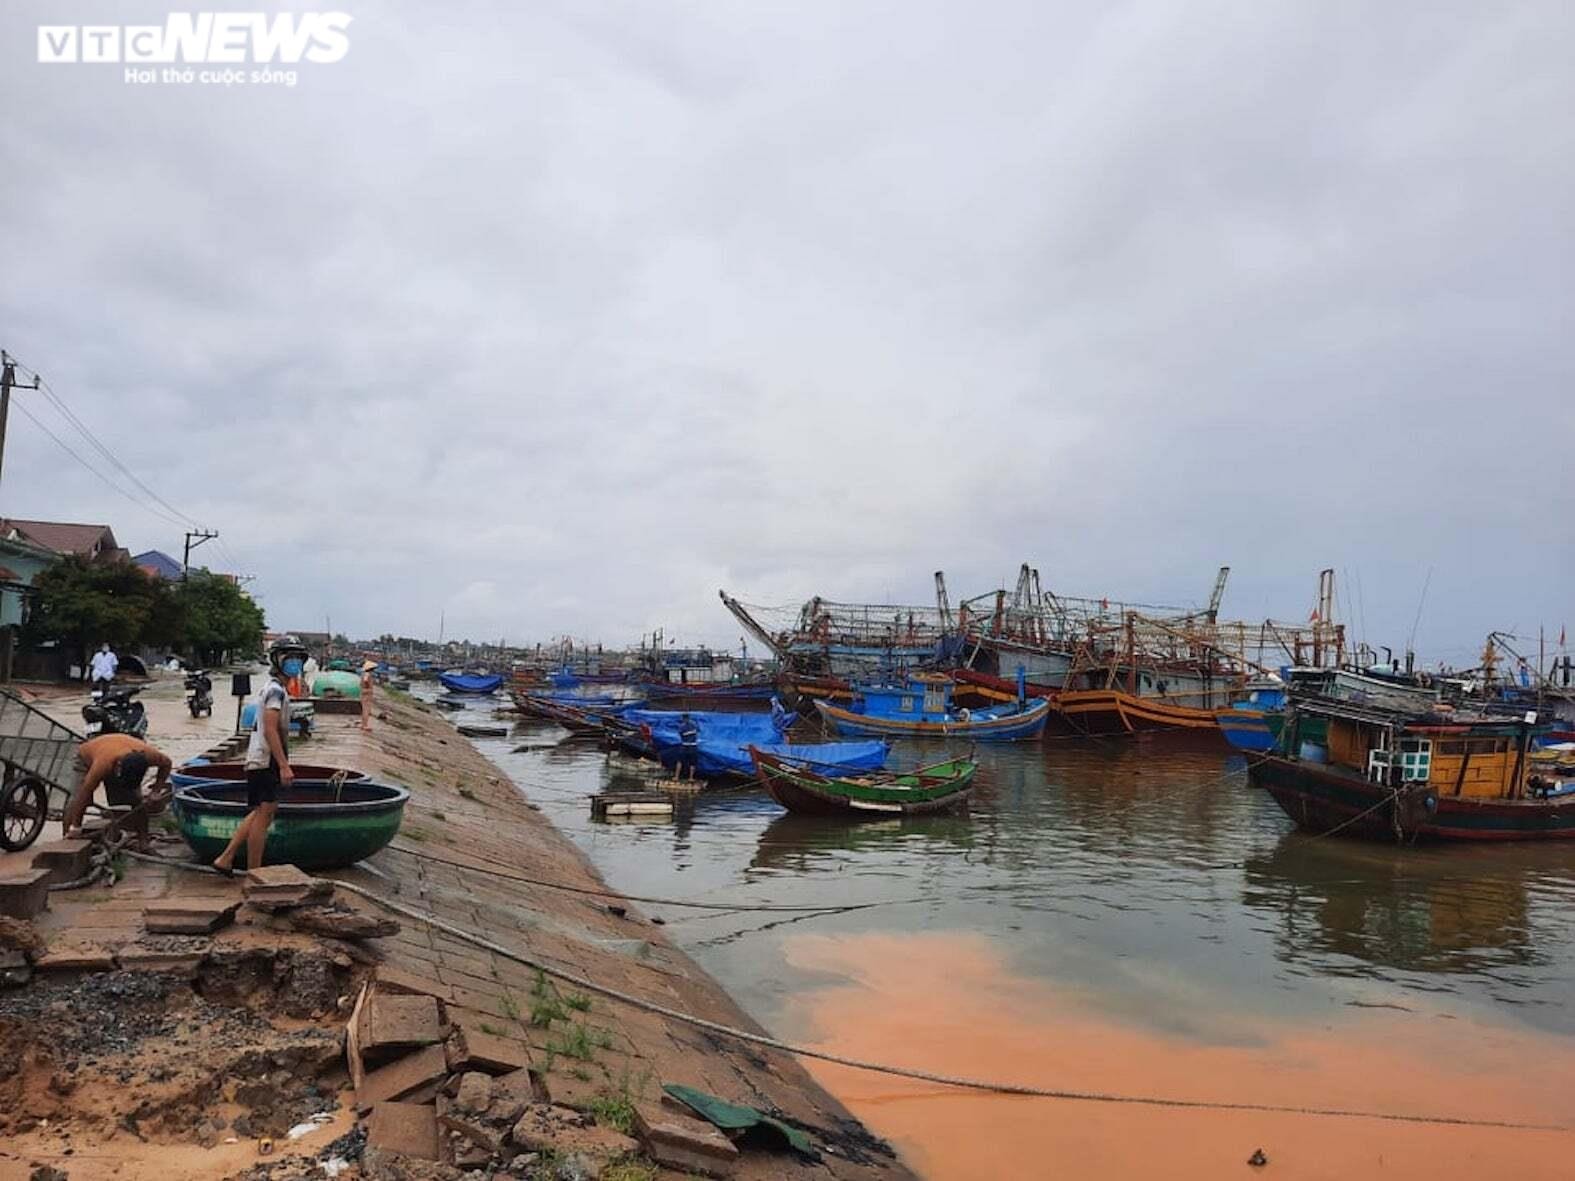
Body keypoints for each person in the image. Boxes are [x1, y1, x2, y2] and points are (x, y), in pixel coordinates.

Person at [212, 641, 301, 875]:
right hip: (265, 760)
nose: (295, 663)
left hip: (260, 758)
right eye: (290, 657)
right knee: (264, 817)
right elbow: (270, 729)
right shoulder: (275, 692)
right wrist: (283, 765)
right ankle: (255, 874)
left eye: (298, 658)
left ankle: (226, 857)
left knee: (262, 812)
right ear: (278, 661)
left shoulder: (275, 689)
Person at [62, 732, 172, 848]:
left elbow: (167, 764)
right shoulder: (102, 765)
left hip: (117, 752)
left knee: (135, 800)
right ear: (118, 768)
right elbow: (85, 793)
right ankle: (66, 839)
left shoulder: (149, 755)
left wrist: (155, 791)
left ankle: (144, 844)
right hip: (86, 759)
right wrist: (77, 826)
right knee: (75, 801)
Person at [674, 713, 700, 782]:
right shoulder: (694, 724)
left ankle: (676, 777)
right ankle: (691, 778)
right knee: (692, 763)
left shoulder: (681, 726)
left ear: (683, 718)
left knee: (680, 761)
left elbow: (680, 734)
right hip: (693, 746)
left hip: (684, 745)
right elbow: (698, 731)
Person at [360, 659, 376, 733]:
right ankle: (365, 725)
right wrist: (368, 687)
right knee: (366, 710)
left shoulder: (364, 674)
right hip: (367, 693)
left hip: (364, 692)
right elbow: (366, 682)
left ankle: (364, 724)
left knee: (365, 709)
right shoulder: (367, 675)